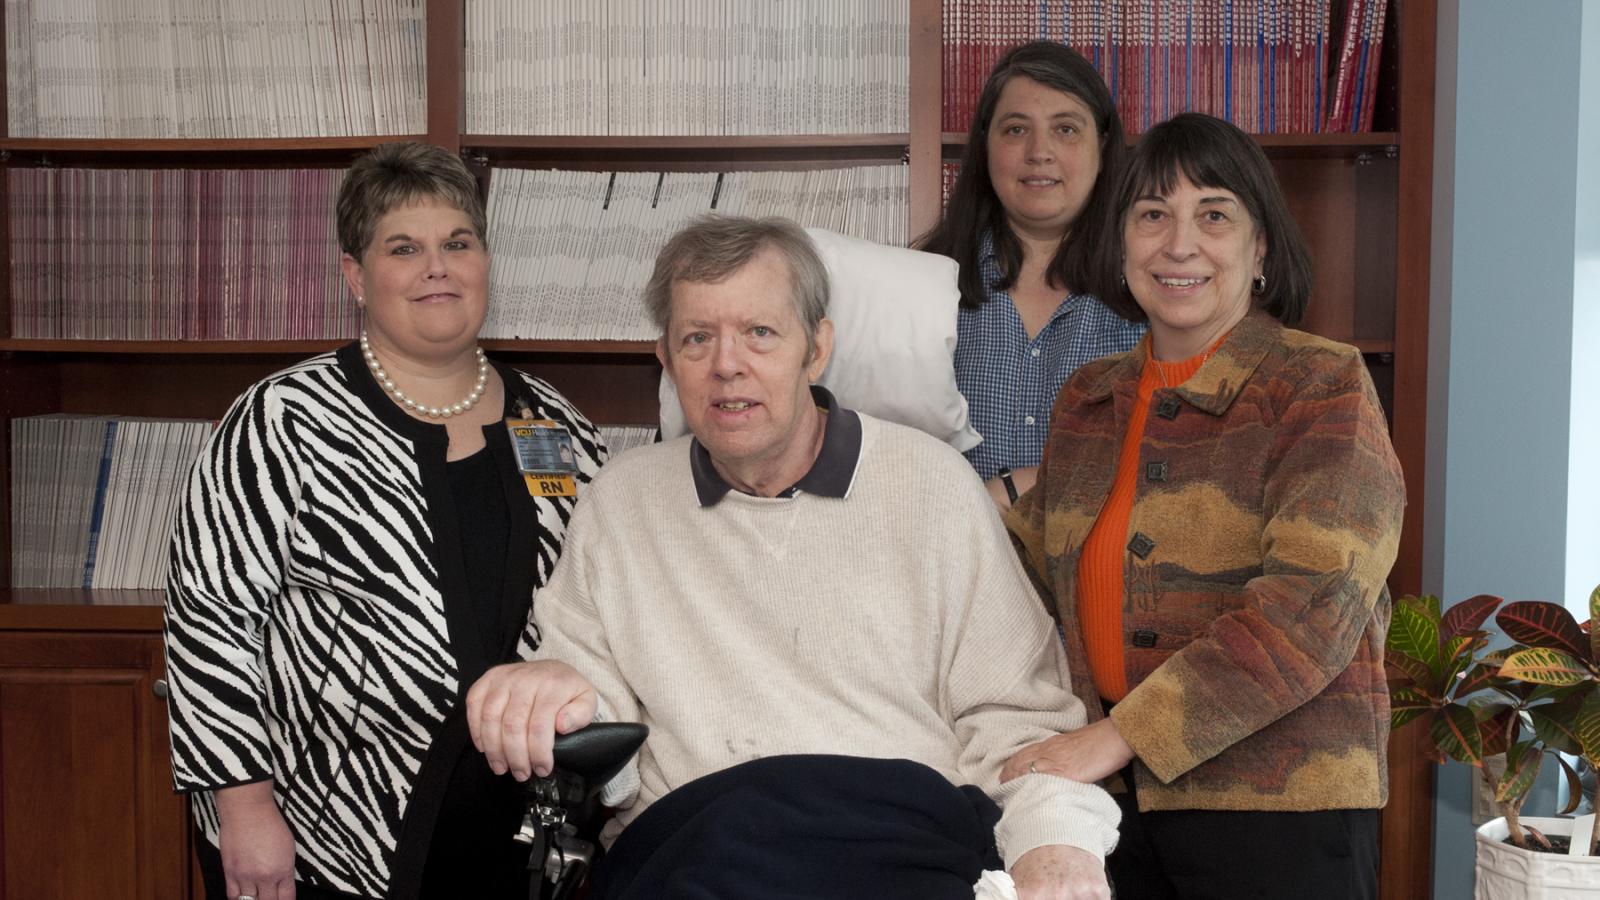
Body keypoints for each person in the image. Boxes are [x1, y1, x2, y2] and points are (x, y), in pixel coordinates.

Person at [466, 214, 1121, 900]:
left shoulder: (931, 484)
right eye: (697, 338)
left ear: (816, 350)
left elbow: (1020, 718)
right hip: (701, 848)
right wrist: (549, 694)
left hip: (904, 840)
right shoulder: (620, 503)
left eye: (760, 334)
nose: (727, 364)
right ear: (665, 358)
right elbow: (595, 725)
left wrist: (1055, 846)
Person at [162, 141, 605, 900]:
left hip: (518, 835)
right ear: (356, 276)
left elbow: (602, 609)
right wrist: (245, 809)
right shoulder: (282, 420)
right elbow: (211, 621)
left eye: (457, 243)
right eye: (405, 248)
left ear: (484, 263)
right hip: (324, 833)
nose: (438, 266)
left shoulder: (558, 423)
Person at [1001, 113, 1405, 899]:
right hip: (1112, 811)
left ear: (1259, 250)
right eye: (1152, 215)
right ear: (1121, 245)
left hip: (1280, 809)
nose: (1178, 244)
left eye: (1213, 214)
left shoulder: (1322, 385)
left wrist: (1117, 737)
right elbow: (1017, 568)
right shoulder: (1090, 398)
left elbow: (1309, 608)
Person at [917, 41, 1144, 509]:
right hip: (955, 569)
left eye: (1065, 129)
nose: (1040, 152)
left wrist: (1017, 488)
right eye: (1016, 129)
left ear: (1102, 147)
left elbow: (1186, 458)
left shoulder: (1152, 290)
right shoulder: (921, 287)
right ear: (985, 147)